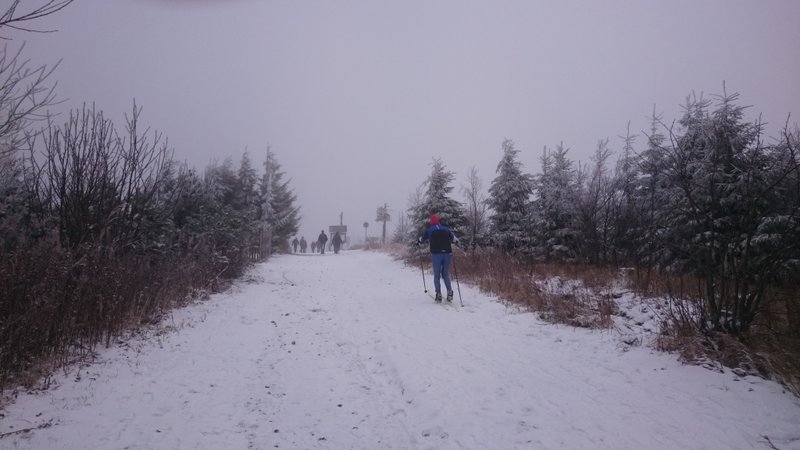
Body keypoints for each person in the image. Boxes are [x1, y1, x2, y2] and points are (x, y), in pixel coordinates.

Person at [417, 214, 457, 302]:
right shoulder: (446, 229)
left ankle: (438, 294)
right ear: (438, 221)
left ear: (431, 222)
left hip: (436, 254)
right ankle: (449, 291)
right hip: (447, 253)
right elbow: (453, 239)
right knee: (445, 273)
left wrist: (418, 241)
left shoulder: (429, 230)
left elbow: (422, 239)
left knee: (437, 274)